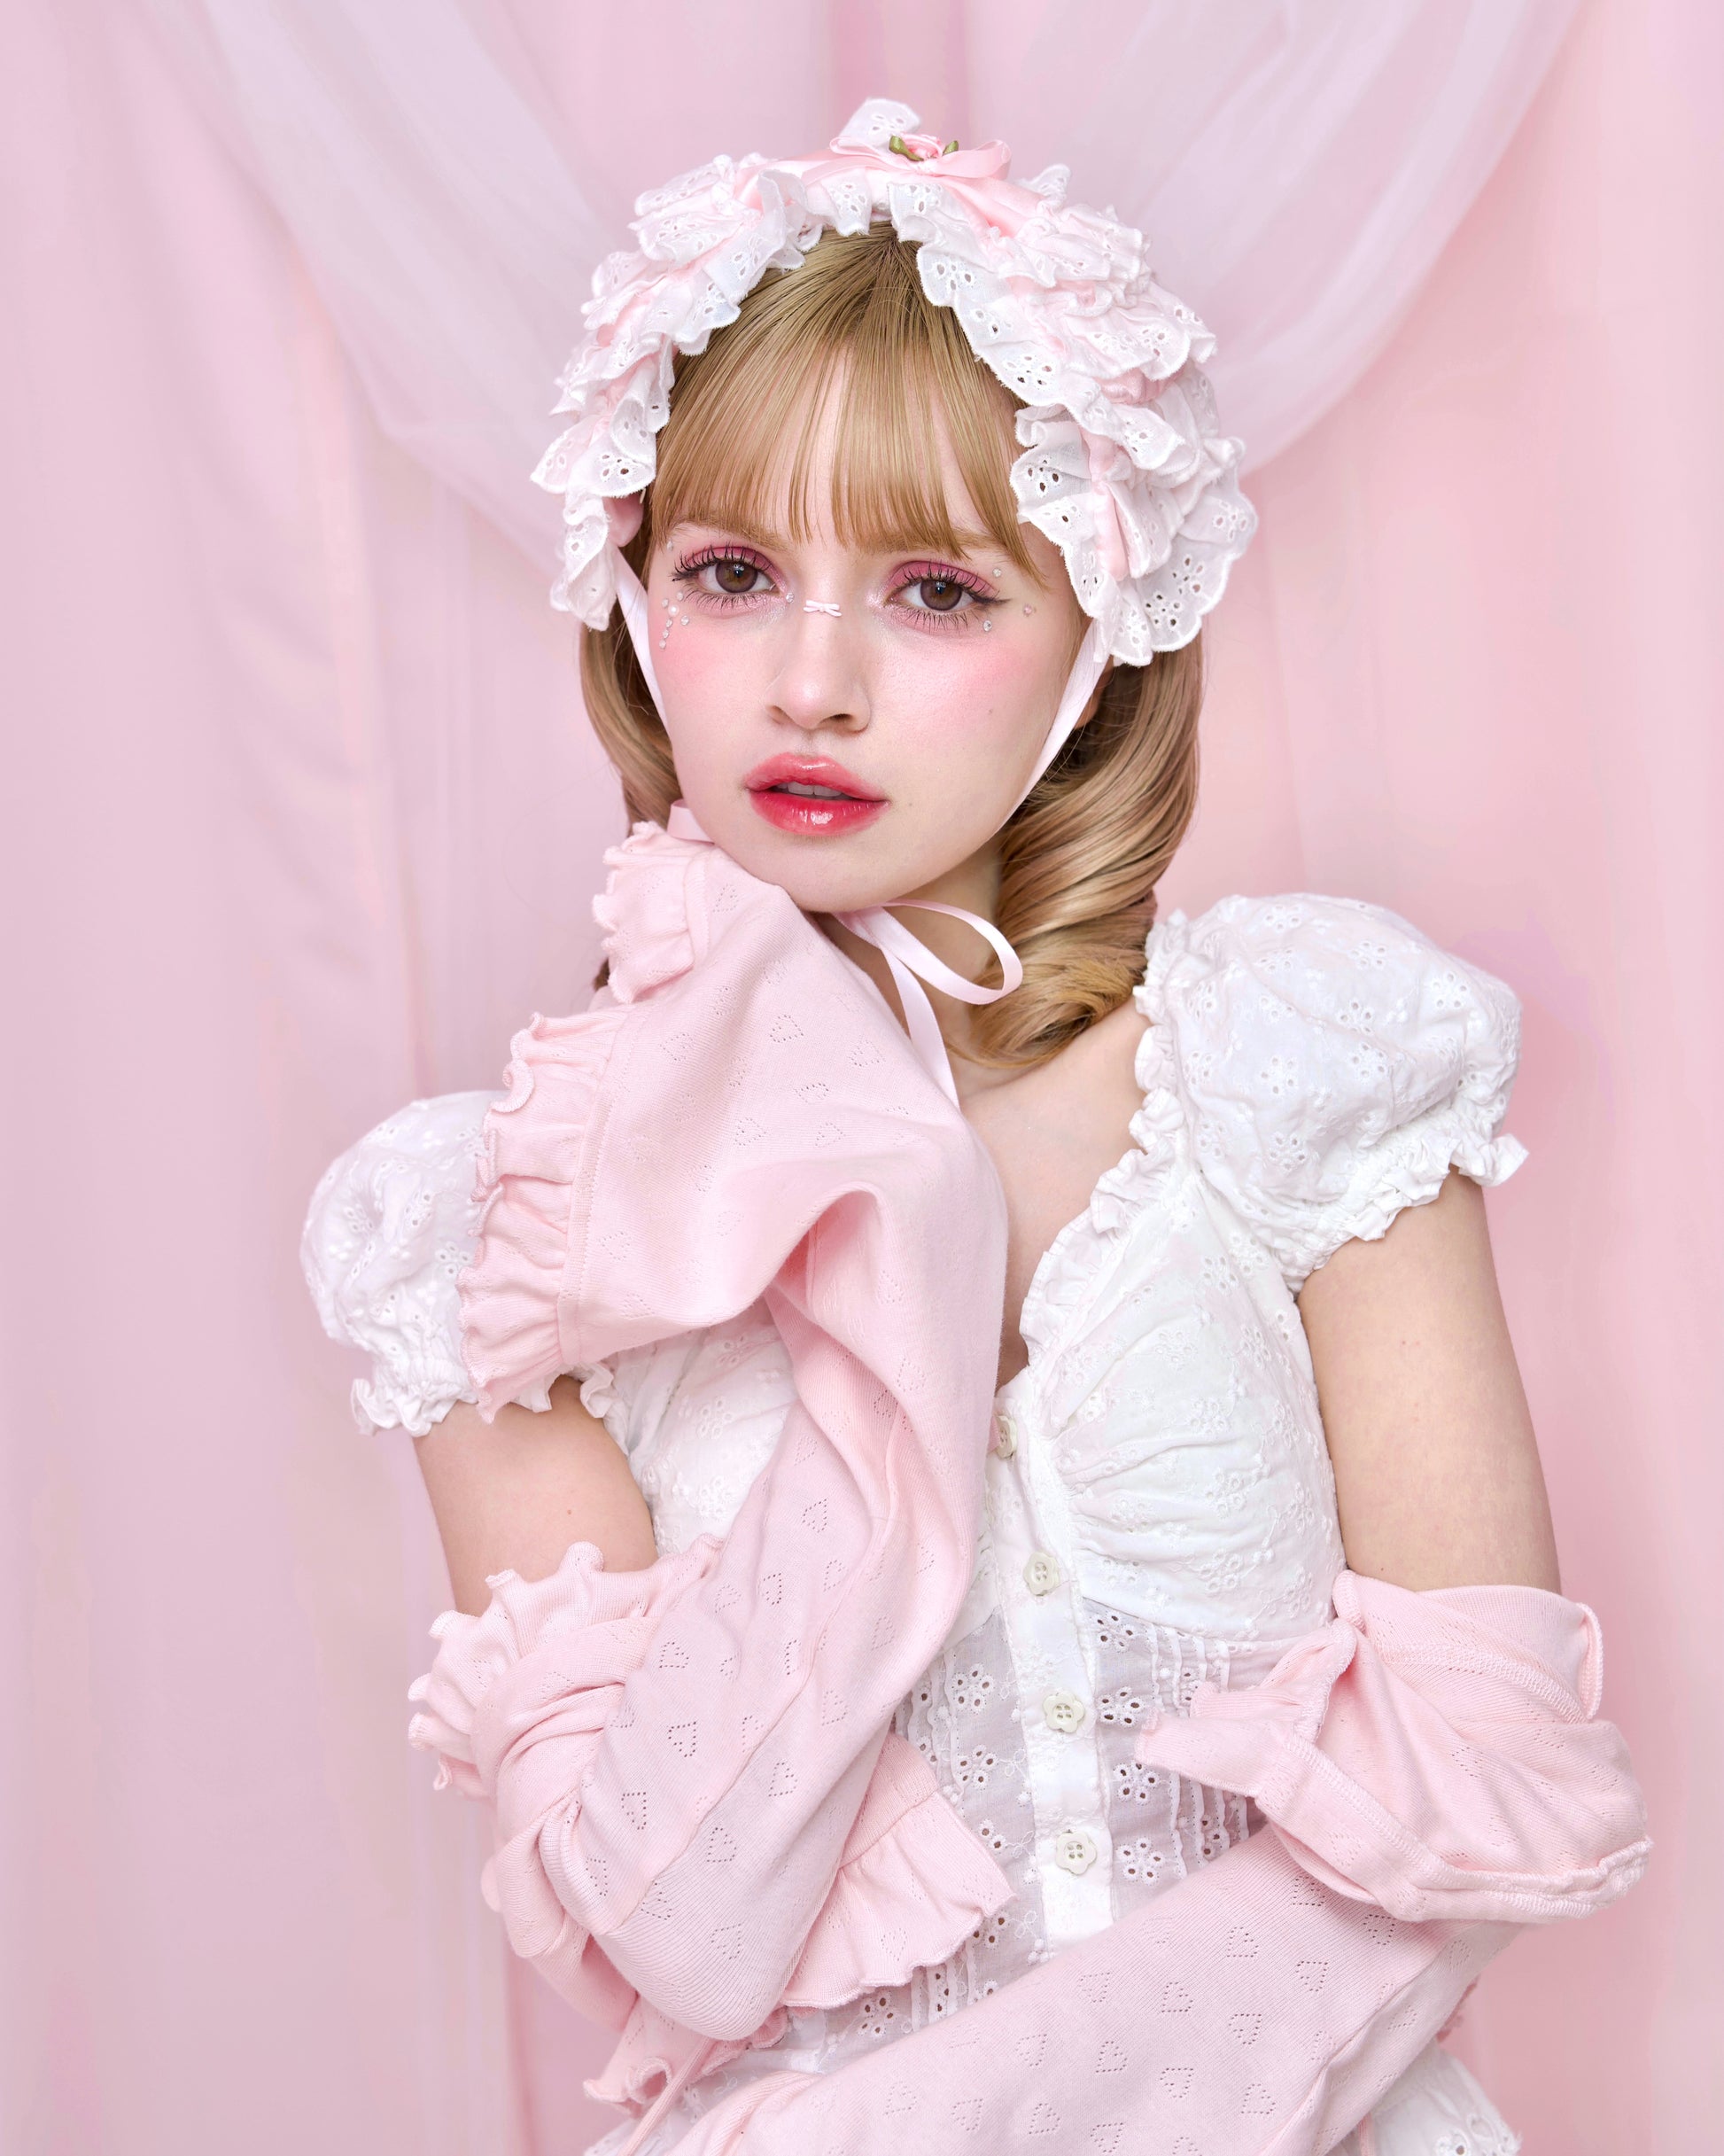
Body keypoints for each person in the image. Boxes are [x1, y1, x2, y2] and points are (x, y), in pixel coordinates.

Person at [303, 102, 1646, 2156]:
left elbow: (1480, 1801)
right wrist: (887, 1229)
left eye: (934, 589)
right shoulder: (503, 1233)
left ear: (1095, 638)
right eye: (731, 572)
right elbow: (680, 1928)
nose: (811, 682)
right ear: (634, 611)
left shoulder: (1292, 1067)